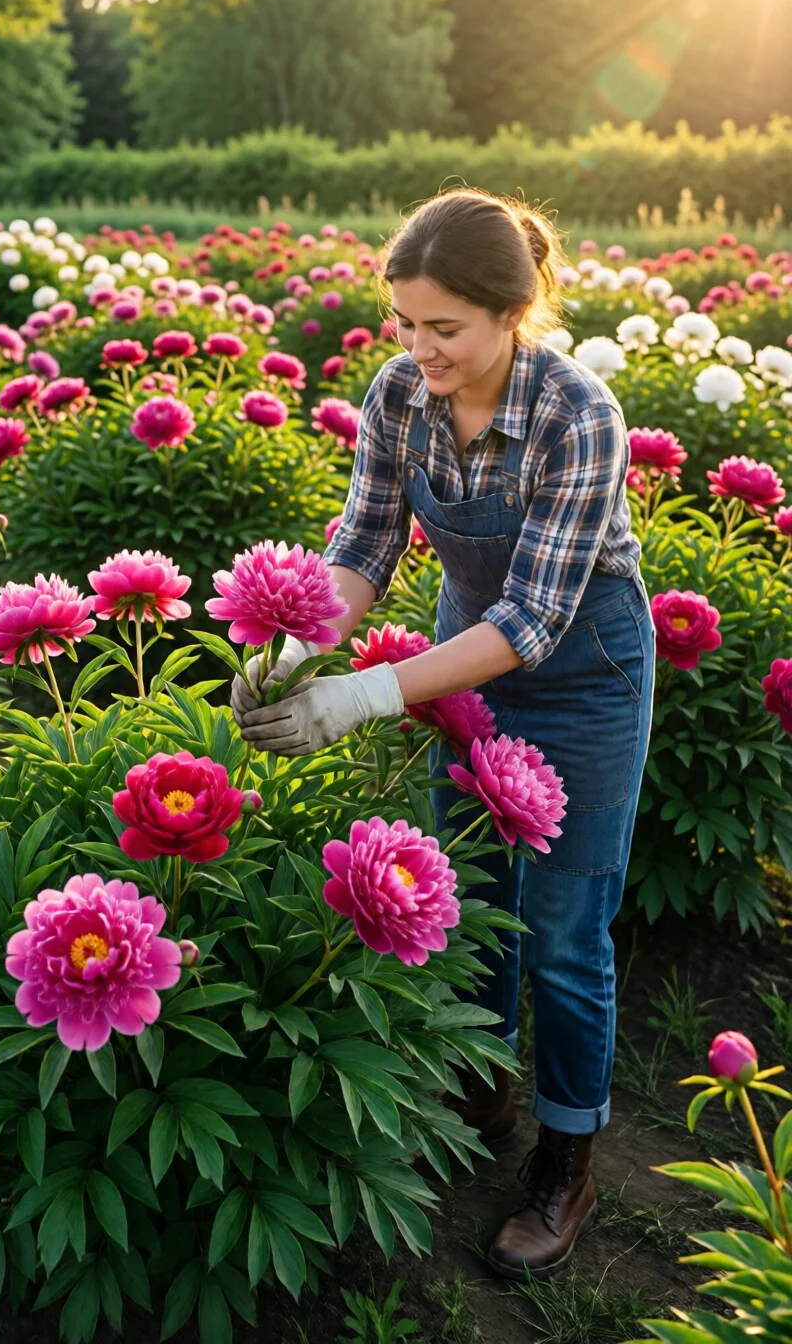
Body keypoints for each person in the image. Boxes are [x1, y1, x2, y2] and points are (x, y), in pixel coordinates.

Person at [231, 188, 655, 1279]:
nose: (419, 350)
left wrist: (363, 697)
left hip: (584, 676)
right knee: (466, 899)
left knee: (564, 934)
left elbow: (534, 619)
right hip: (460, 657)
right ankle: (480, 1089)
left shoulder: (578, 414)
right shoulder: (398, 393)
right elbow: (365, 542)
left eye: (445, 329)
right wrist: (297, 647)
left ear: (513, 313)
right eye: (405, 322)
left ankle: (566, 1161)